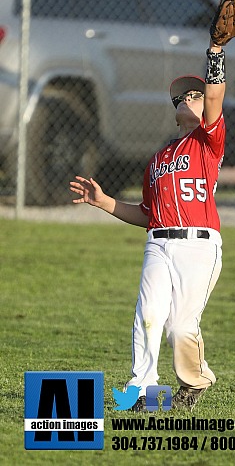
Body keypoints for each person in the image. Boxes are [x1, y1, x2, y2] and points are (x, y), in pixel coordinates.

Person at [70, 36, 226, 412]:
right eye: (182, 96)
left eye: (195, 93)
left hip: (199, 245)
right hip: (158, 242)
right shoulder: (158, 160)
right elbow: (147, 214)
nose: (188, 97)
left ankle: (196, 378)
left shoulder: (209, 143)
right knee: (148, 314)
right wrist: (105, 202)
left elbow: (217, 96)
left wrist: (216, 52)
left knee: (179, 327)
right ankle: (143, 391)